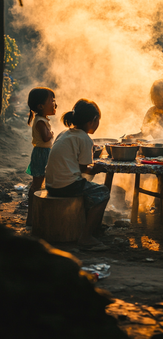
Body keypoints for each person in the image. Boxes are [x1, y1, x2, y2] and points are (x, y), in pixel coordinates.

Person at [45, 99, 110, 250]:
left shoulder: (65, 133)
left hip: (50, 184)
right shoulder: (84, 138)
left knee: (90, 189)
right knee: (103, 192)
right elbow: (83, 168)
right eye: (98, 120)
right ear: (94, 120)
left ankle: (90, 227)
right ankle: (86, 237)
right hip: (66, 185)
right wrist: (97, 168)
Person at [26, 87, 57, 226]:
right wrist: (51, 134)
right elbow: (45, 138)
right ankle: (31, 217)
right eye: (52, 100)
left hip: (44, 153)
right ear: (41, 106)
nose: (55, 103)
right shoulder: (40, 121)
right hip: (41, 155)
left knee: (40, 185)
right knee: (37, 185)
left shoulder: (42, 119)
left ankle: (36, 215)